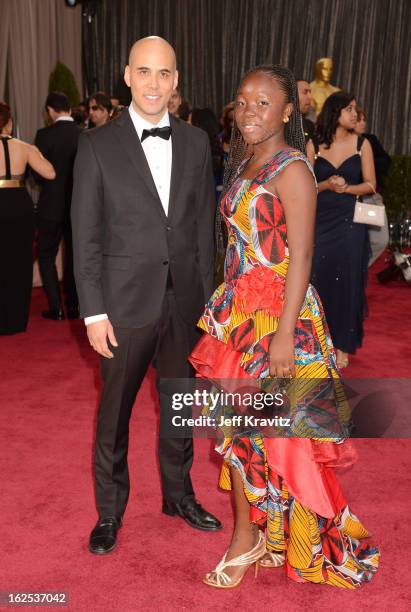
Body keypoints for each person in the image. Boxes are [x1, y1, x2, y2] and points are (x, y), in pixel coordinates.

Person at [189, 66, 379, 589]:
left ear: (288, 111)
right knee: (244, 434)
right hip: (238, 317)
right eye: (243, 101)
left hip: (278, 319)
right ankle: (263, 537)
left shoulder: (292, 169)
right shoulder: (248, 158)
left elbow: (301, 257)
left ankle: (247, 541)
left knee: (272, 437)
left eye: (264, 102)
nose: (249, 111)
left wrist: (281, 335)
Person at [71, 36, 221, 555]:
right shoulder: (95, 145)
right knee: (114, 415)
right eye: (145, 72)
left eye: (164, 74)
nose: (154, 83)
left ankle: (178, 496)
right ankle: (109, 512)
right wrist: (93, 311)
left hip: (184, 303)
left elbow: (205, 230)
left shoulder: (199, 142)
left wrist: (208, 303)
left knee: (180, 408)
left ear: (176, 81)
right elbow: (85, 236)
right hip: (123, 305)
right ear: (127, 76)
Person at [307, 92, 376, 368]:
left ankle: (342, 345)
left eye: (355, 110)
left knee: (347, 281)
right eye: (349, 110)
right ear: (335, 112)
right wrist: (326, 185)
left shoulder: (363, 144)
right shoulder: (315, 145)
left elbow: (371, 184)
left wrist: (347, 188)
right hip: (320, 222)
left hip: (350, 222)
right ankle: (315, 340)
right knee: (317, 278)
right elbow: (304, 186)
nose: (354, 115)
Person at [0, 101, 55, 335]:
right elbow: (50, 173)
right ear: (9, 123)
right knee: (20, 262)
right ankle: (16, 321)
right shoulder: (24, 147)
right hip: (20, 206)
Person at [34, 92, 81, 320]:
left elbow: (38, 176)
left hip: (50, 206)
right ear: (69, 109)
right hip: (77, 207)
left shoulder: (43, 135)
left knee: (46, 255)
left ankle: (56, 307)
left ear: (50, 110)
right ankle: (74, 307)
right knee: (75, 257)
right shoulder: (84, 134)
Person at [354, 107, 390, 266]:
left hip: (371, 197)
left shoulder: (369, 140)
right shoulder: (337, 144)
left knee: (380, 239)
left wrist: (367, 165)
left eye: (364, 120)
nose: (362, 123)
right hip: (349, 199)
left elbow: (385, 161)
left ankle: (359, 268)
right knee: (352, 241)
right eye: (358, 120)